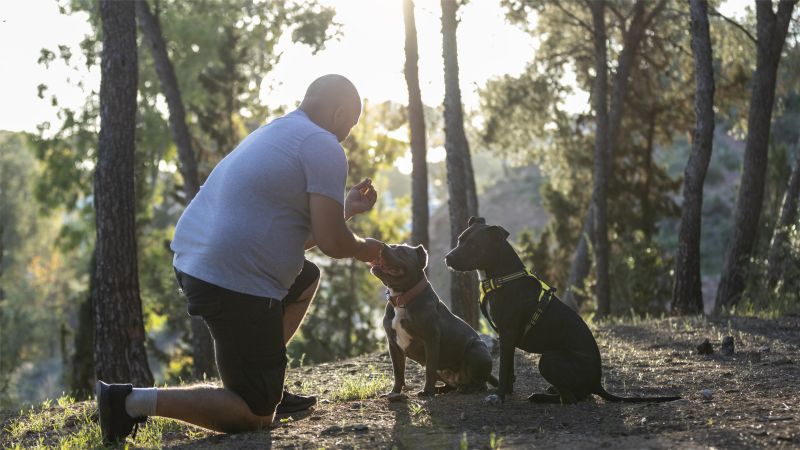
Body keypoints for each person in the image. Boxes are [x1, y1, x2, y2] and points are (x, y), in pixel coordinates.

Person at [96, 74, 384, 443]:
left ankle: (266, 374)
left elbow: (289, 235)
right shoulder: (323, 144)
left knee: (305, 278)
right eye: (350, 123)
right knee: (256, 414)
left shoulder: (279, 131)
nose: (347, 133)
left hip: (199, 261)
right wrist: (365, 249)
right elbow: (332, 242)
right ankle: (127, 402)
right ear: (339, 111)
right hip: (231, 278)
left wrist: (344, 209)